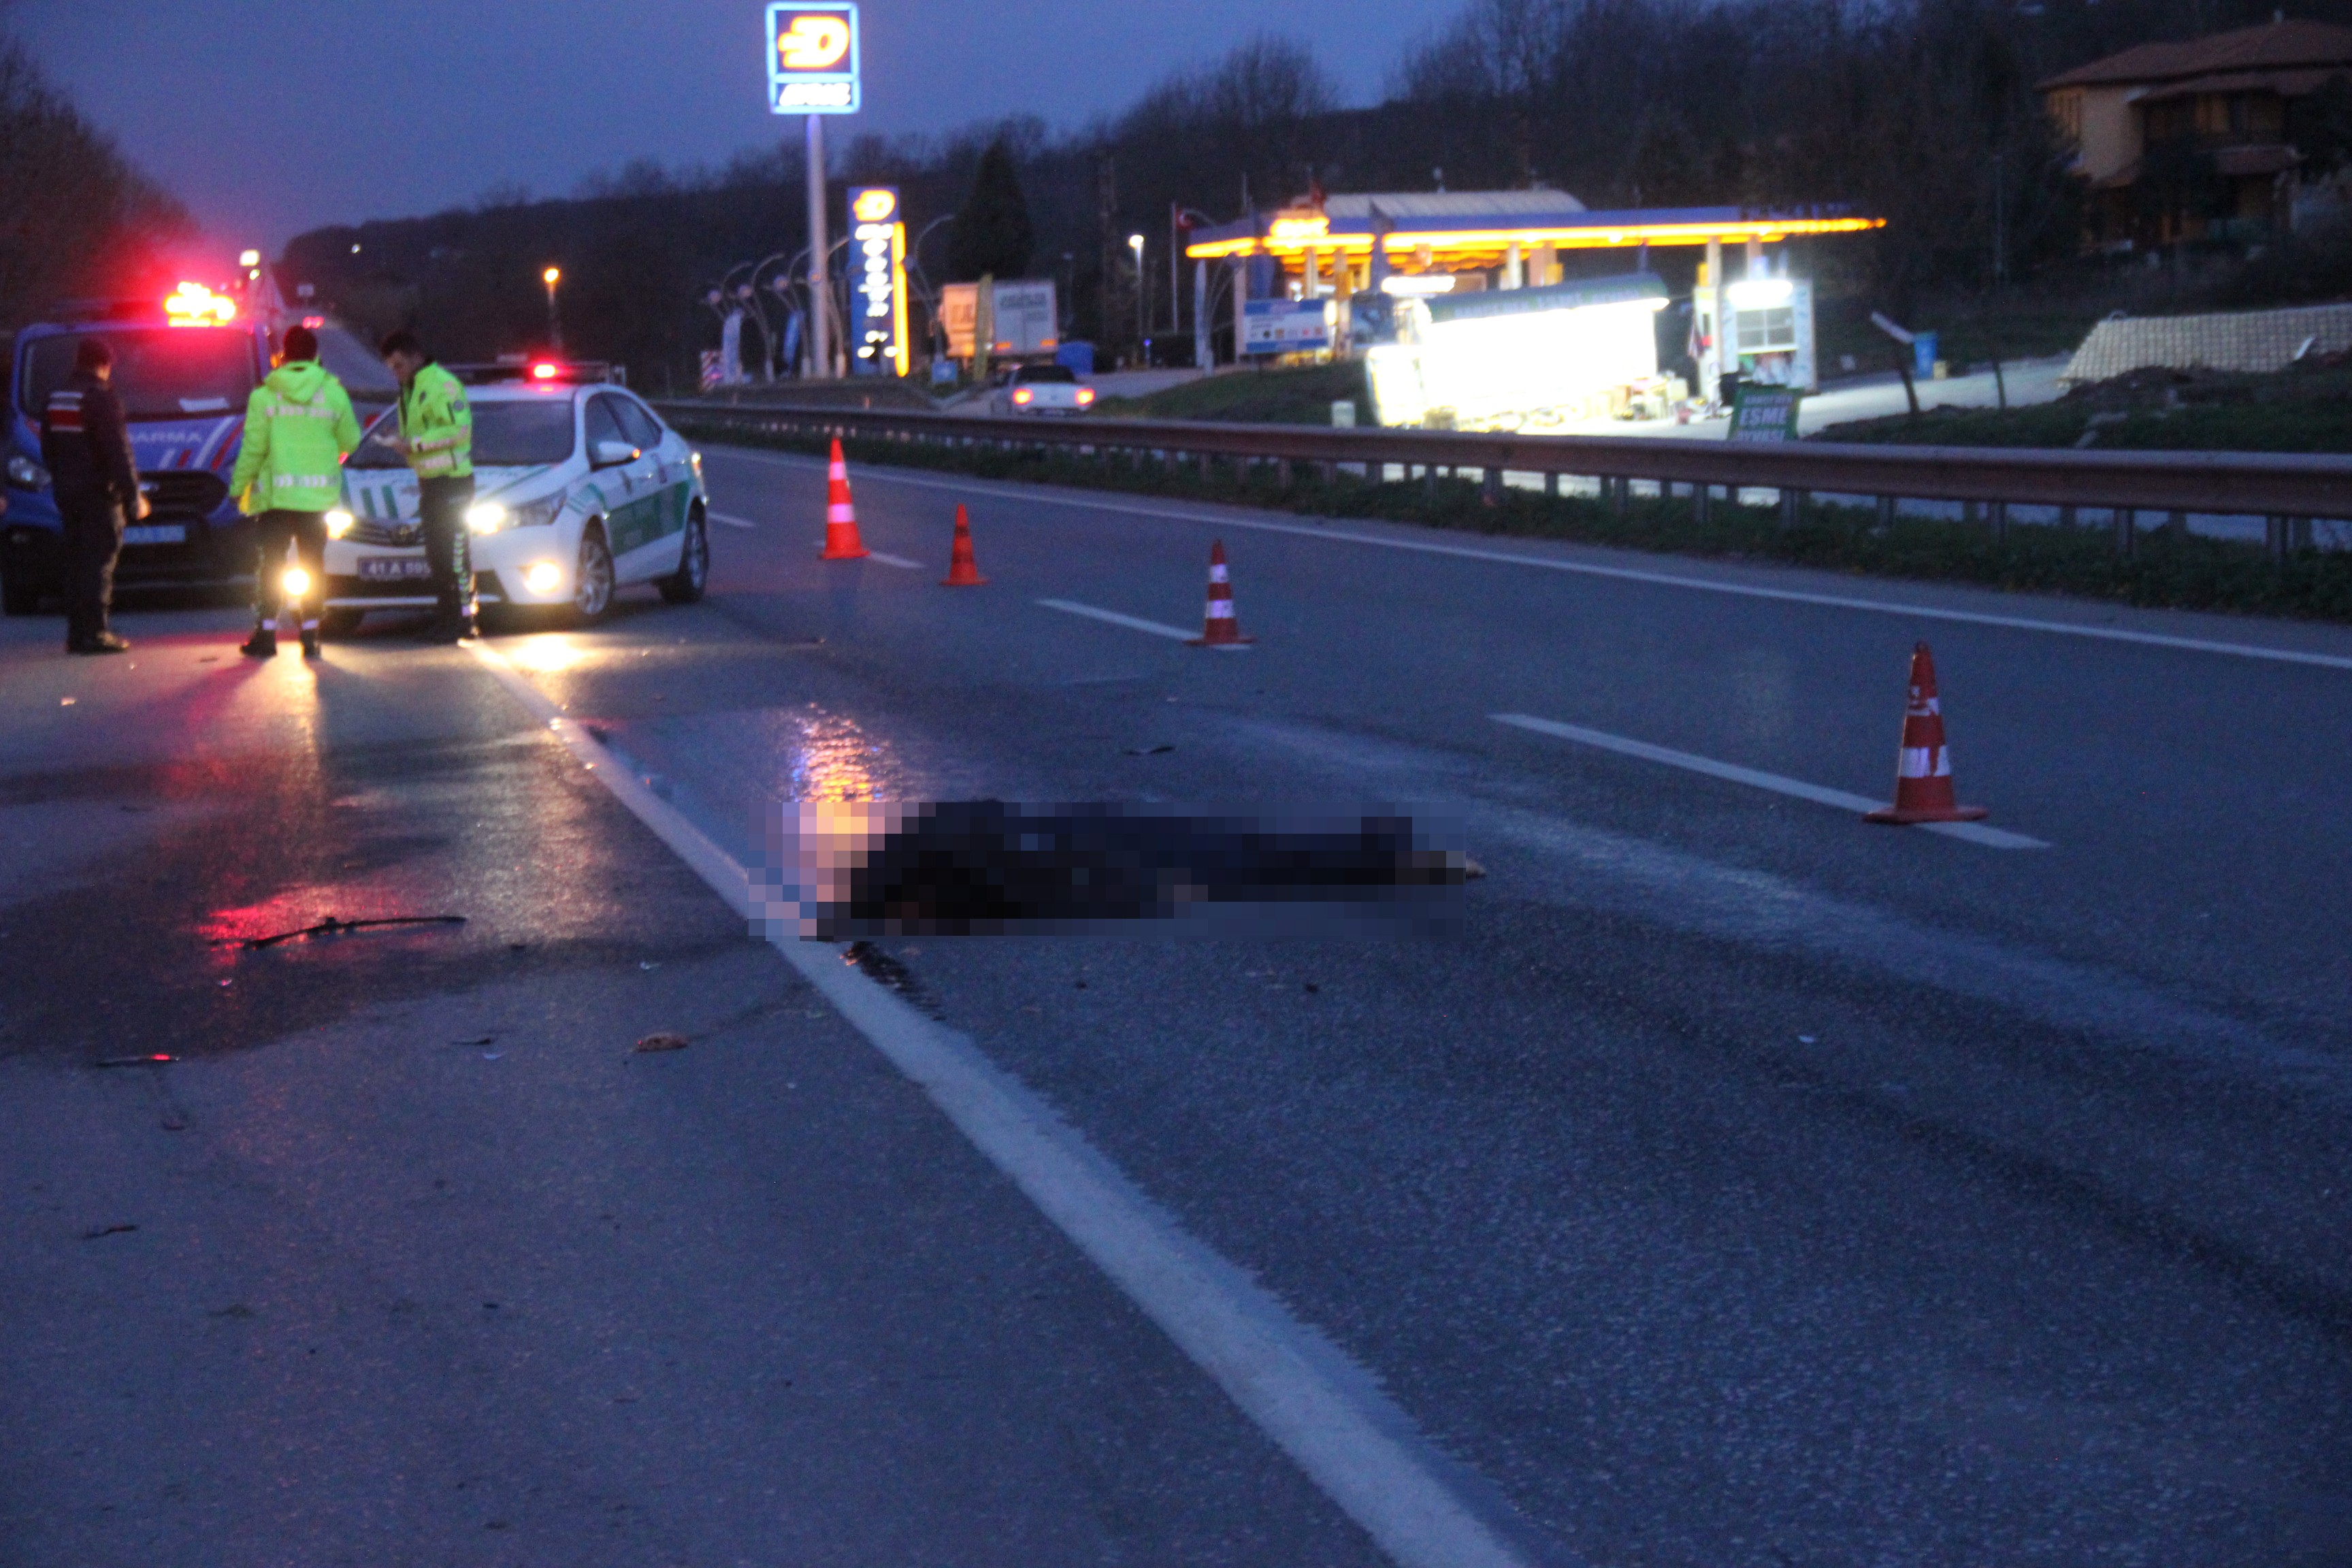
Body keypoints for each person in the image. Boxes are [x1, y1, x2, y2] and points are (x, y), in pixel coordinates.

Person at [228, 324, 361, 658]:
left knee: (272, 565)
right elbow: (351, 441)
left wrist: (239, 486)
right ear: (316, 356)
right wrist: (330, 456)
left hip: (276, 499)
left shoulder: (264, 396)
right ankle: (311, 635)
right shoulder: (334, 394)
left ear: (282, 356)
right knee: (313, 564)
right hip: (317, 500)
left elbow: (253, 448)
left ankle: (266, 635)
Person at [38, 337, 148, 653]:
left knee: (76, 562)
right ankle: (96, 632)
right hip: (99, 495)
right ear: (104, 365)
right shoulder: (100, 398)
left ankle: (76, 633)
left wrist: (62, 479)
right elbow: (118, 452)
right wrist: (132, 496)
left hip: (67, 493)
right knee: (98, 562)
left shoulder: (56, 398)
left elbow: (48, 447)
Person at [377, 329, 474, 642]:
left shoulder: (441, 385)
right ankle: (449, 618)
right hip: (431, 483)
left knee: (453, 554)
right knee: (437, 555)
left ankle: (463, 620)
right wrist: (400, 440)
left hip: (453, 482)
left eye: (399, 365)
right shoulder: (409, 390)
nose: (396, 372)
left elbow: (458, 430)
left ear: (416, 357)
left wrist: (414, 444)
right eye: (391, 367)